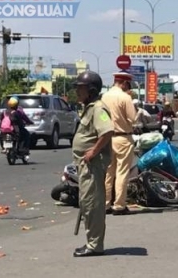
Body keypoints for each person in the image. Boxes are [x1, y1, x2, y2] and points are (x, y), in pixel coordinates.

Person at [72, 71, 114, 257]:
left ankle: (95, 245)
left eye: (80, 88)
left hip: (93, 164)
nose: (77, 92)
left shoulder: (98, 109)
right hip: (87, 164)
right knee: (87, 202)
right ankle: (92, 242)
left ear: (91, 90)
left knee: (92, 204)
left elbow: (107, 132)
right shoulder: (90, 108)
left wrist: (92, 152)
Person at [101, 71, 137, 216]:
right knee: (122, 172)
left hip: (108, 137)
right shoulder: (125, 97)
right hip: (123, 138)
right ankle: (119, 205)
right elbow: (133, 119)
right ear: (124, 83)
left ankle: (105, 204)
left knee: (109, 173)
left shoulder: (104, 96)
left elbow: (102, 116)